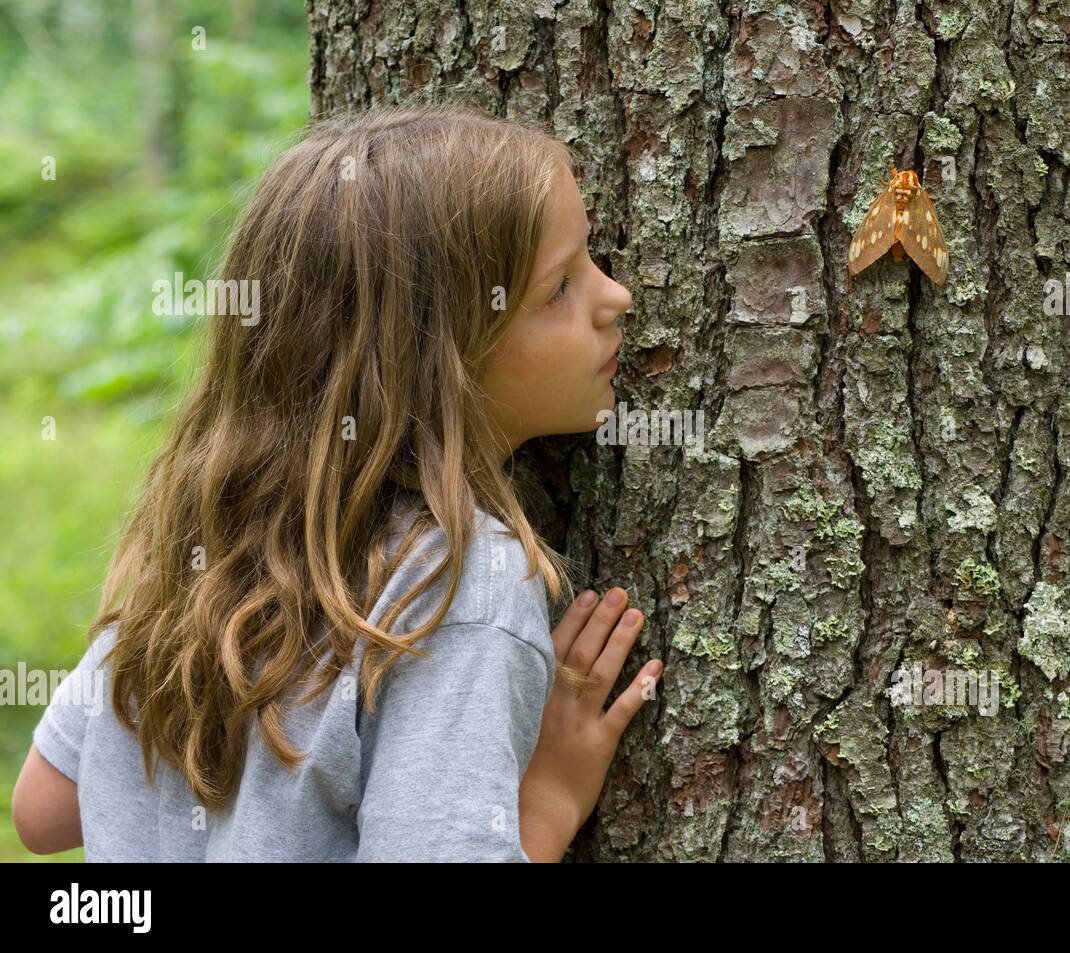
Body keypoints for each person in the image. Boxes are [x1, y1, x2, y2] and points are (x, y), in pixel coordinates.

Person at [10, 103, 662, 862]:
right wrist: (545, 802)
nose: (614, 296)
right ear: (437, 351)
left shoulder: (214, 550)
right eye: (559, 288)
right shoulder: (456, 587)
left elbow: (44, 808)